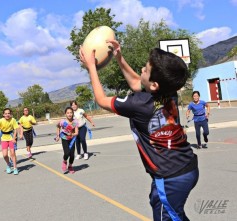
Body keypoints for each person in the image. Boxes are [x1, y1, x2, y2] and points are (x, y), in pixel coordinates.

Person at [79, 40, 198, 221]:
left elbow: (102, 100)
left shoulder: (139, 104)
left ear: (154, 85)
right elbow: (137, 82)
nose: (142, 69)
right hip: (186, 167)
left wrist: (91, 67)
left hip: (170, 177)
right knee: (176, 215)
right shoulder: (169, 91)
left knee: (168, 217)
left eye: (146, 69)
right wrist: (120, 58)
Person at [0, 108, 19, 175]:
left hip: (11, 137)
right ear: (3, 114)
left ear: (10, 114)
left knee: (12, 154)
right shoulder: (1, 121)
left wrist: (14, 138)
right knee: (5, 155)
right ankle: (8, 165)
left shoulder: (13, 120)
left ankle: (15, 168)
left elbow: (16, 129)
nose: (7, 115)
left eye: (8, 113)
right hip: (3, 138)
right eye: (6, 113)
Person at [55, 107, 79, 174]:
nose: (69, 114)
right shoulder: (63, 122)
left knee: (72, 155)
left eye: (71, 112)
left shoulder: (74, 122)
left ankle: (70, 166)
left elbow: (76, 132)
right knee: (66, 153)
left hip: (72, 139)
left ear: (73, 113)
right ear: (65, 114)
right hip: (64, 138)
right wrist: (57, 136)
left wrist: (72, 134)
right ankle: (64, 161)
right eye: (68, 113)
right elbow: (58, 127)